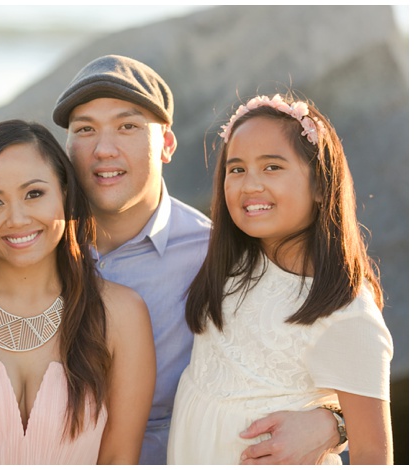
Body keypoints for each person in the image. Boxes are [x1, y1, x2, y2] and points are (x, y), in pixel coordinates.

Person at [52, 54, 346, 464]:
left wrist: (334, 424)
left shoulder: (222, 254)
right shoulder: (37, 244)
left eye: (128, 126)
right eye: (85, 130)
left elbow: (331, 343)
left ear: (167, 144)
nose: (104, 149)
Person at [166, 93, 394, 464]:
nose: (250, 184)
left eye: (272, 167)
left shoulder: (345, 312)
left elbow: (373, 452)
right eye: (236, 169)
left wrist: (336, 426)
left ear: (321, 185)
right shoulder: (232, 266)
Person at [0, 119, 155, 464]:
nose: (16, 219)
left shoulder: (120, 315)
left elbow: (119, 458)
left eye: (34, 194)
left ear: (64, 192)